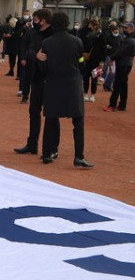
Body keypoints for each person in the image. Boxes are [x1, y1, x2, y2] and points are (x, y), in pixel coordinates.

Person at [37, 11, 92, 167]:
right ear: (67, 23)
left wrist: (40, 60)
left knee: (50, 119)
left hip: (53, 83)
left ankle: (47, 154)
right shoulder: (77, 42)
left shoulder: (47, 43)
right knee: (78, 121)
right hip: (72, 84)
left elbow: (43, 67)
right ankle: (78, 156)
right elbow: (81, 63)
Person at [13, 9, 53, 156]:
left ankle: (51, 148)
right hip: (36, 77)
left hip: (51, 79)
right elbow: (28, 49)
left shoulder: (54, 34)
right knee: (33, 112)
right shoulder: (33, 33)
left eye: (36, 19)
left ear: (43, 20)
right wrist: (35, 55)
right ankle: (32, 144)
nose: (33, 21)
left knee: (51, 114)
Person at [105, 20, 134, 112]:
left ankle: (112, 105)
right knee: (123, 84)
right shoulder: (129, 39)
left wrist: (112, 58)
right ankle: (122, 105)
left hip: (123, 64)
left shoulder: (129, 40)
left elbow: (120, 52)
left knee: (117, 84)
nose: (124, 29)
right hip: (127, 63)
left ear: (131, 29)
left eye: (126, 28)